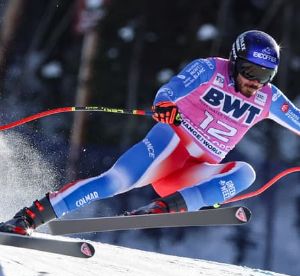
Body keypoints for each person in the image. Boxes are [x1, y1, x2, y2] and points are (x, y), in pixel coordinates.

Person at [1, 30, 299, 236]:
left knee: (245, 173)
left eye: (264, 76)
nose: (254, 82)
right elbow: (170, 90)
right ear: (235, 61)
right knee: (113, 182)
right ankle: (29, 217)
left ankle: (163, 208)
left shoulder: (269, 98)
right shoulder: (209, 69)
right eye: (249, 71)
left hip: (193, 172)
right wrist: (165, 105)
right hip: (170, 145)